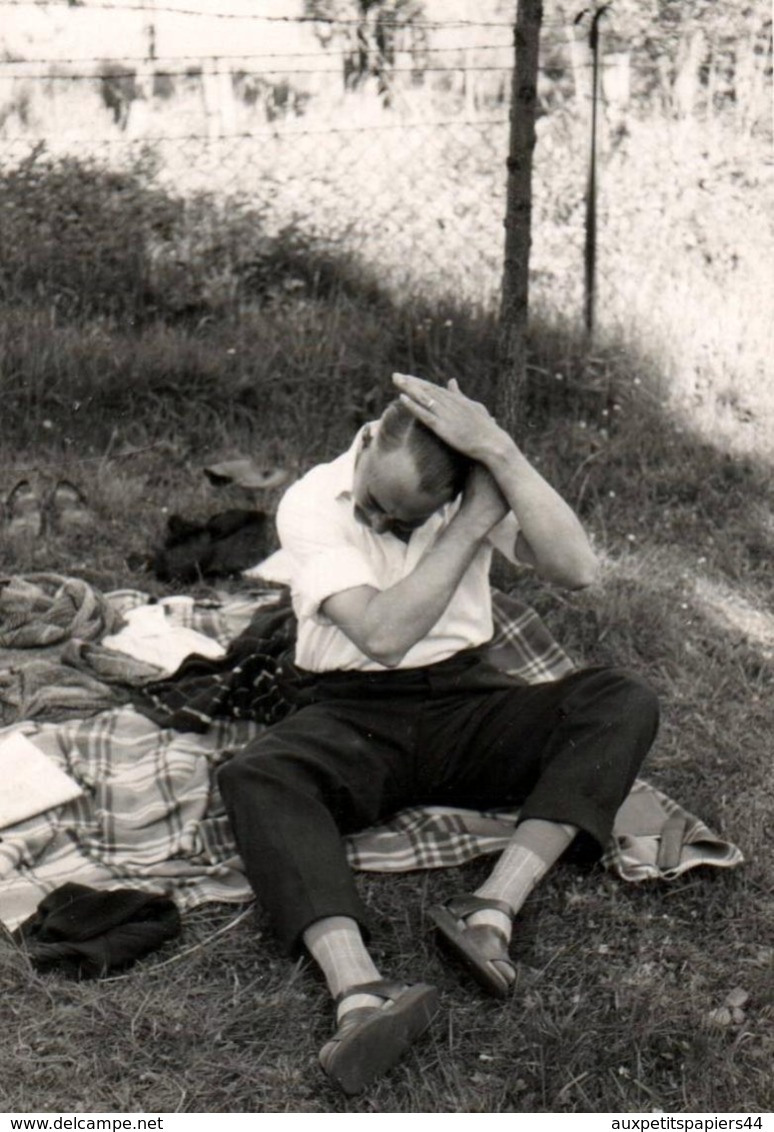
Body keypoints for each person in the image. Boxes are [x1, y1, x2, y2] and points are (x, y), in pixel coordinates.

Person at [218, 372, 659, 1096]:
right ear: (366, 444)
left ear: (455, 489)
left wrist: (503, 460)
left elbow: (577, 571)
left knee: (619, 700)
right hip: (351, 711)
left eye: (407, 516)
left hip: (466, 700)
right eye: (378, 503)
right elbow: (385, 635)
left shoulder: (474, 487)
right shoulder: (309, 502)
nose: (384, 521)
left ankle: (490, 909)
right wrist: (468, 524)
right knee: (257, 776)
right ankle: (361, 995)